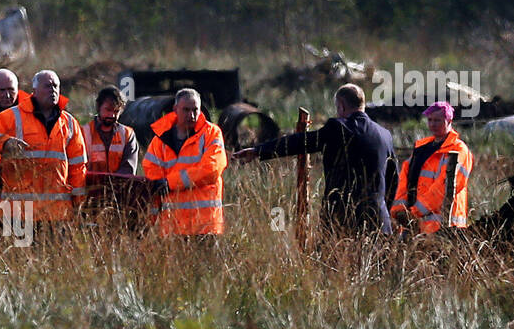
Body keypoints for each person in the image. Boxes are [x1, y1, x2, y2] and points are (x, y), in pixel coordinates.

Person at [234, 83, 397, 235]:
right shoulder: (385, 135)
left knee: (334, 264)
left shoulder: (338, 127)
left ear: (341, 105)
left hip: (342, 219)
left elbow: (300, 142)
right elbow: (393, 180)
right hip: (378, 221)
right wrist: (385, 212)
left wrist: (258, 150)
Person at [0, 68, 87, 221]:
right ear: (34, 90)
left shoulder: (69, 123)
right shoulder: (12, 116)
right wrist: (5, 143)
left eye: (56, 86)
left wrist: (79, 204)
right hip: (18, 214)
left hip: (57, 215)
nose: (52, 90)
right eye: (47, 86)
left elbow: (78, 167)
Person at [142, 88, 227, 235]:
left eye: (195, 110)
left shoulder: (212, 134)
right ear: (175, 109)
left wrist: (170, 183)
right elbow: (154, 185)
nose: (191, 115)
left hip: (205, 226)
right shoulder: (159, 141)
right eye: (186, 110)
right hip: (172, 227)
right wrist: (149, 223)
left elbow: (211, 170)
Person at [390, 101, 473, 233]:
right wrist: (400, 210)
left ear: (449, 120)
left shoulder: (459, 149)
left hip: (443, 227)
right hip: (413, 224)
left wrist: (415, 212)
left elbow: (444, 187)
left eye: (438, 120)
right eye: (430, 120)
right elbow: (405, 178)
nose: (433, 124)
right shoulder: (421, 148)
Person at [83, 85, 138, 174]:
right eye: (108, 110)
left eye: (116, 111)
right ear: (98, 107)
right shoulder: (84, 133)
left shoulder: (127, 135)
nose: (112, 115)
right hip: (90, 186)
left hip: (119, 186)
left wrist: (113, 184)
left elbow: (128, 169)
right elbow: (78, 168)